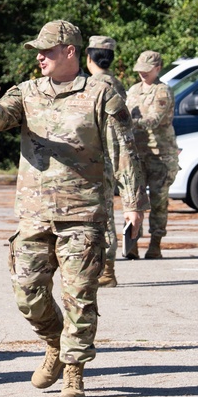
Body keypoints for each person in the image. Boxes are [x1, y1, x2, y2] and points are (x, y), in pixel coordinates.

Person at [0, 20, 145, 397]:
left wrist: (134, 205)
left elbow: (124, 151)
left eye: (47, 50)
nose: (39, 57)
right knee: (27, 292)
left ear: (70, 52)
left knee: (80, 297)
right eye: (38, 50)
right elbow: (0, 119)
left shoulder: (101, 94)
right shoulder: (29, 92)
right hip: (34, 214)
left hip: (83, 214)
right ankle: (54, 343)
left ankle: (74, 371)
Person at [126, 51, 179, 260]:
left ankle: (155, 244)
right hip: (137, 154)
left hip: (160, 155)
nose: (142, 74)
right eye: (139, 70)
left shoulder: (163, 91)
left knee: (158, 201)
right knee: (134, 200)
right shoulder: (133, 90)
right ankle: (131, 244)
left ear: (158, 69)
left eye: (146, 71)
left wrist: (127, 121)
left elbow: (153, 120)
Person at [85, 35, 125, 287]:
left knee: (102, 215)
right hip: (110, 158)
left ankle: (106, 271)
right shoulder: (117, 83)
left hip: (98, 158)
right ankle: (103, 268)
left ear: (89, 57)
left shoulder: (94, 85)